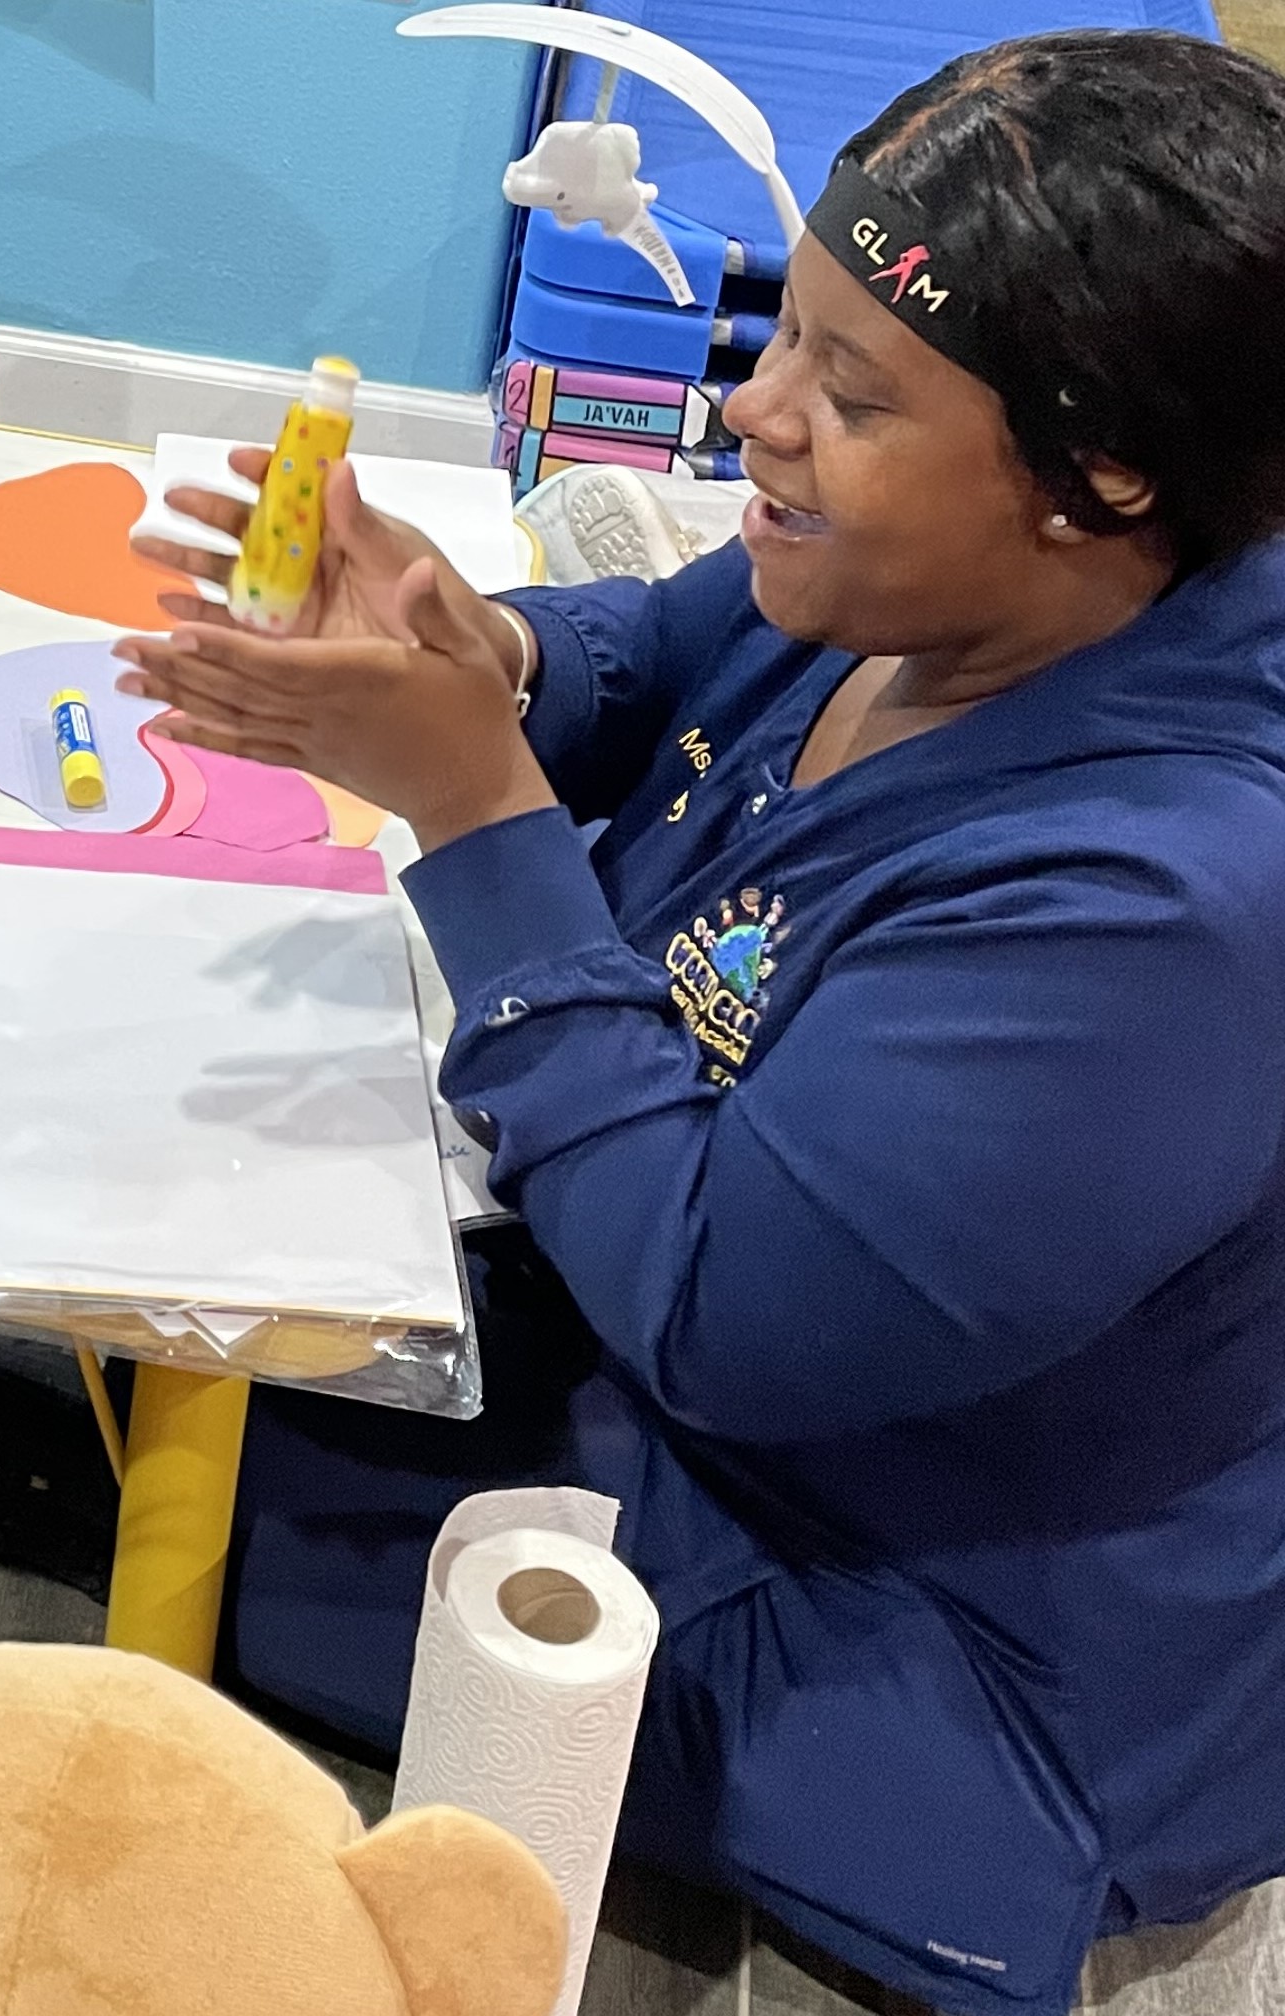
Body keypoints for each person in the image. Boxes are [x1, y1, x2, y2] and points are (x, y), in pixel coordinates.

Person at [113, 31, 1285, 2016]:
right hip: (715, 1358)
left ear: (1107, 479)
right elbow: (652, 662)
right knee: (85, 1355)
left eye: (853, 387)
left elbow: (727, 1319)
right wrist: (487, 652)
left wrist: (476, 806)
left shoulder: (1171, 906)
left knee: (185, 1492)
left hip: (944, 1621)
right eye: (788, 340)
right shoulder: (925, 588)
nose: (756, 410)